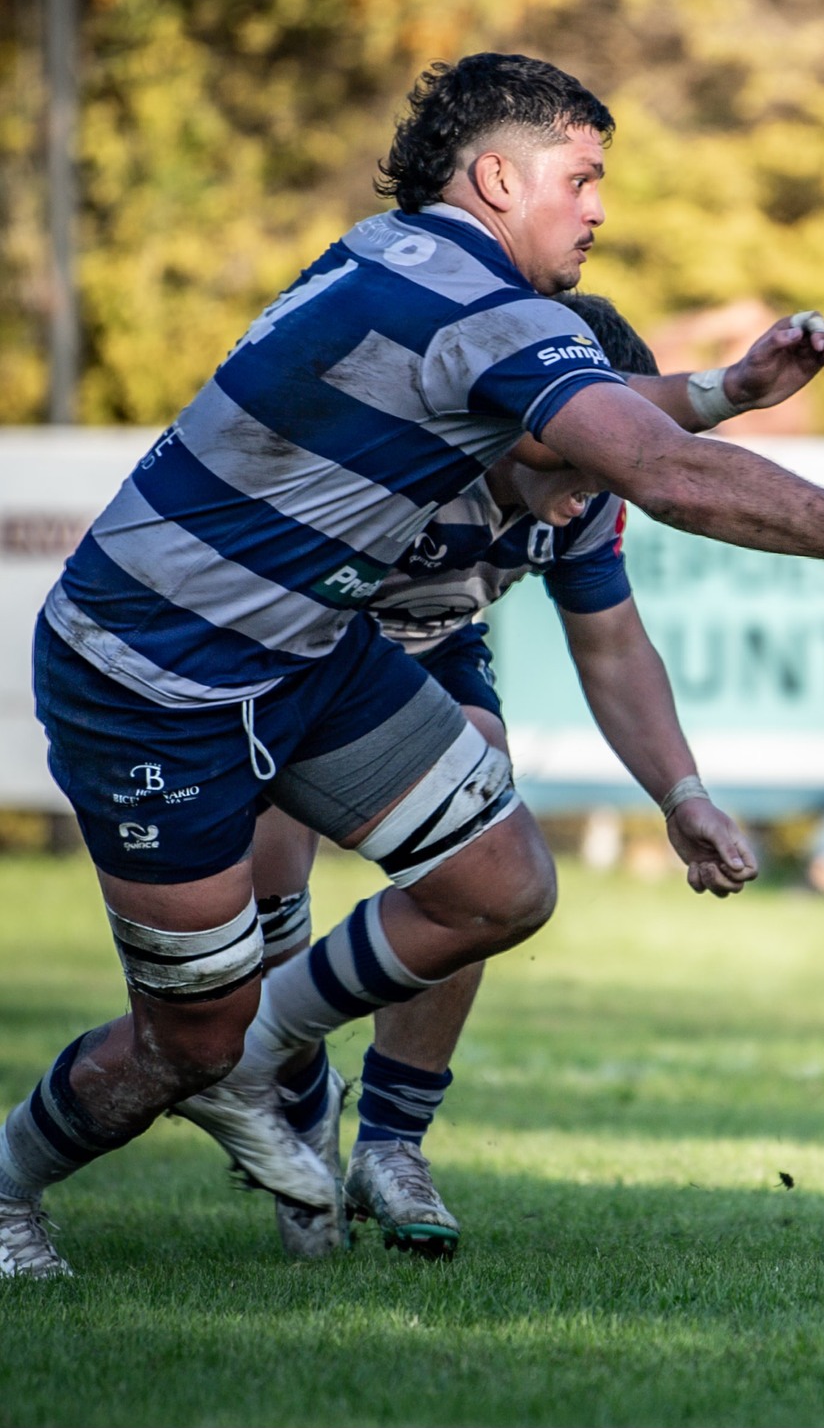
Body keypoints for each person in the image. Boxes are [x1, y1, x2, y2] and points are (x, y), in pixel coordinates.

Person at [0, 53, 824, 1280]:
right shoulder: (483, 309)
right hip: (152, 671)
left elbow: (591, 426)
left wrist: (721, 390)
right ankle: (19, 1182)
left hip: (305, 652)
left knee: (501, 884)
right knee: (185, 1034)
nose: (599, 206)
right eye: (582, 176)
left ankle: (272, 1065)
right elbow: (657, 468)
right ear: (498, 175)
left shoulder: (402, 259)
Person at [246, 292, 787, 1261]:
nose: (594, 484)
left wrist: (683, 796)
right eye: (582, 454)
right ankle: (294, 1112)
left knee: (482, 820)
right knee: (267, 876)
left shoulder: (586, 500)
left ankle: (394, 1142)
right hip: (284, 646)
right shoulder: (413, 448)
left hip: (426, 647)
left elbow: (614, 648)